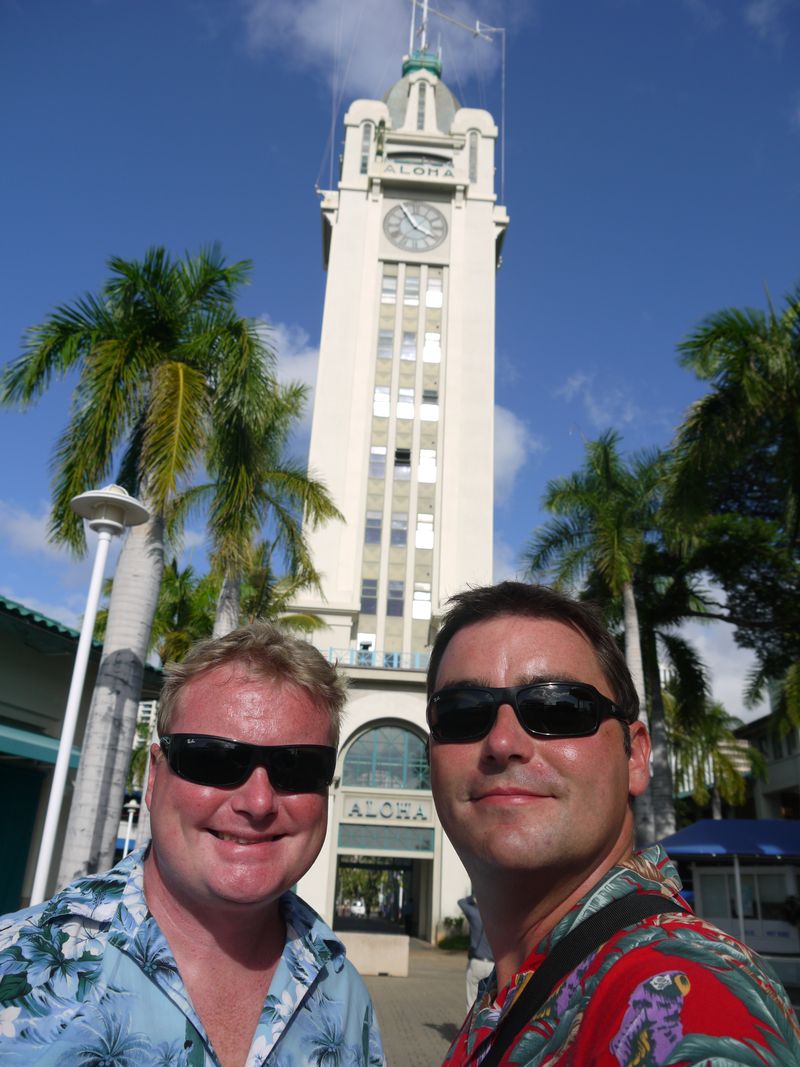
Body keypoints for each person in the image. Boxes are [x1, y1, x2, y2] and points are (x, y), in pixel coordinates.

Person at [426, 581, 800, 1066]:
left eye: (558, 708)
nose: (503, 742)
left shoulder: (682, 997)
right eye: (463, 713)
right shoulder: (512, 988)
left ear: (636, 756)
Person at [0, 622, 385, 1067]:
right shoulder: (15, 966)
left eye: (296, 766)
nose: (258, 802)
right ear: (153, 776)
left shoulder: (345, 992)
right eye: (214, 758)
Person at [458, 894, 494, 1012]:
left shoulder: (475, 914)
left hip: (476, 962)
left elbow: (461, 902)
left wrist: (473, 898)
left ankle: (470, 1028)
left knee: (471, 999)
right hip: (492, 965)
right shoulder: (497, 919)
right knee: (487, 1002)